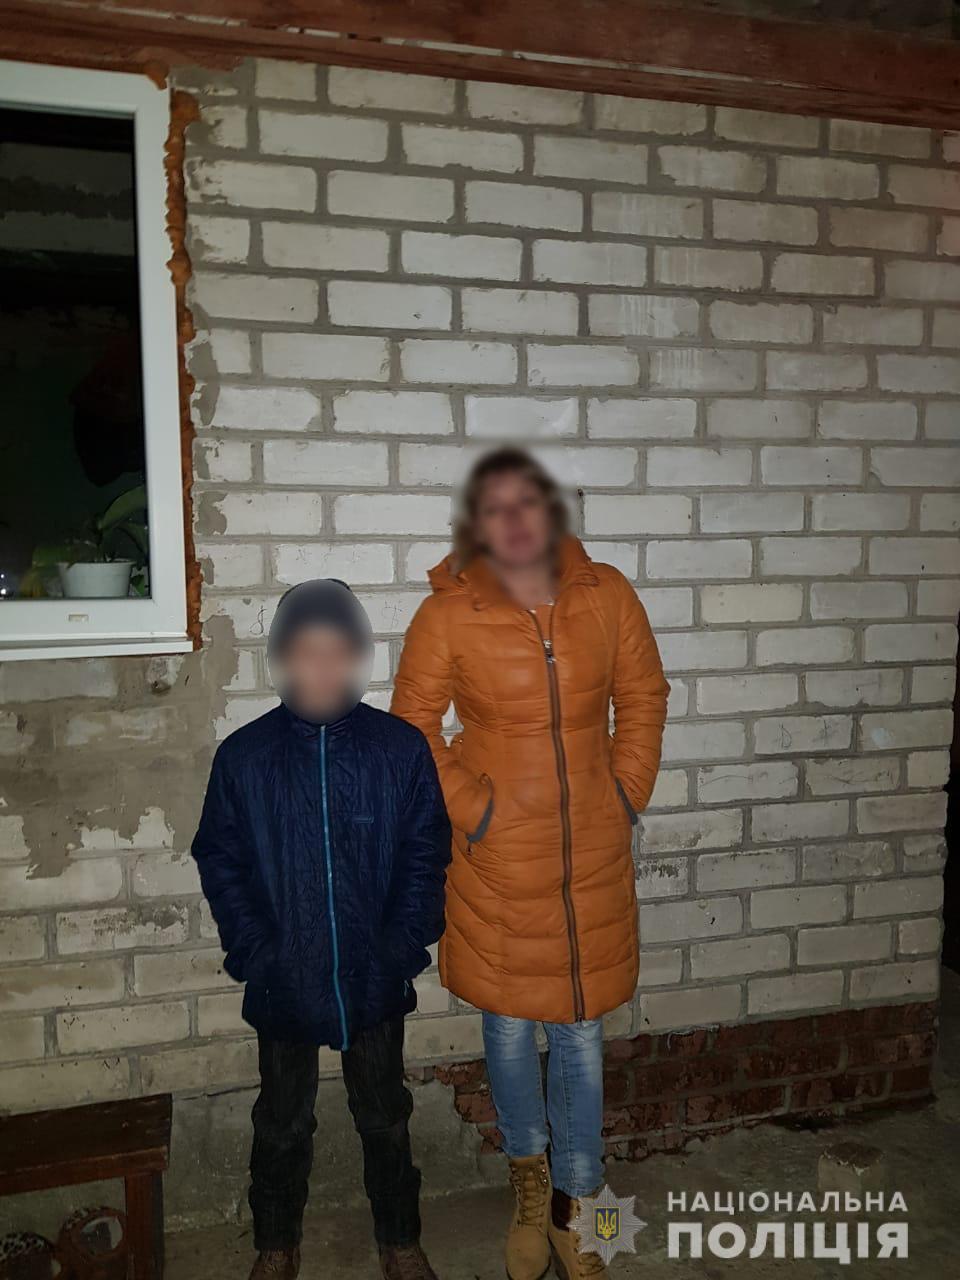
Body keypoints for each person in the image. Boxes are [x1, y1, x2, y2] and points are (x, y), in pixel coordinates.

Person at [391, 449, 669, 1280]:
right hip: (499, 857)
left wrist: (625, 792)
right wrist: (477, 811)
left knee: (580, 1027)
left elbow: (643, 696)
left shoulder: (607, 594)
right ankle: (529, 1187)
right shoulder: (448, 614)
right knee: (510, 1024)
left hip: (590, 853)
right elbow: (411, 728)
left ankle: (579, 1205)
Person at [192, 579, 452, 1280]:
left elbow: (426, 852)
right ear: (281, 659)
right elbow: (220, 857)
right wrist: (256, 952)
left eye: (338, 651)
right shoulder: (245, 758)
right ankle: (276, 1244)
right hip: (283, 977)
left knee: (385, 1113)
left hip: (373, 974)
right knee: (281, 1120)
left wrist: (400, 947)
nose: (323, 668)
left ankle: (400, 1239)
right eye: (307, 652)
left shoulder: (399, 750)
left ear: (359, 658)